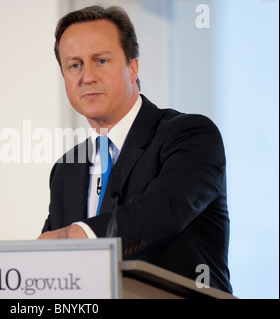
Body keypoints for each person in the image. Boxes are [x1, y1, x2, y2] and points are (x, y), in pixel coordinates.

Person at [38, 5, 232, 293]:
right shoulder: (67, 169)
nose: (87, 77)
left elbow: (165, 208)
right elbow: (51, 263)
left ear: (133, 67)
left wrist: (85, 235)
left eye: (101, 60)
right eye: (74, 65)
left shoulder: (190, 135)